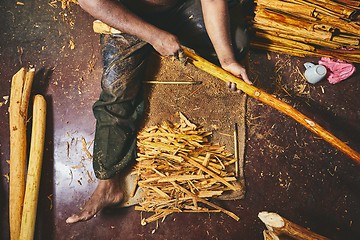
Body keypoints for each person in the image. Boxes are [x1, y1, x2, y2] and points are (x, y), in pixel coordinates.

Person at [66, 0, 252, 224]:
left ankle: (185, 35)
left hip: (182, 4)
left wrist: (227, 59)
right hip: (131, 13)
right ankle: (108, 185)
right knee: (116, 93)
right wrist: (153, 36)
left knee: (237, 44)